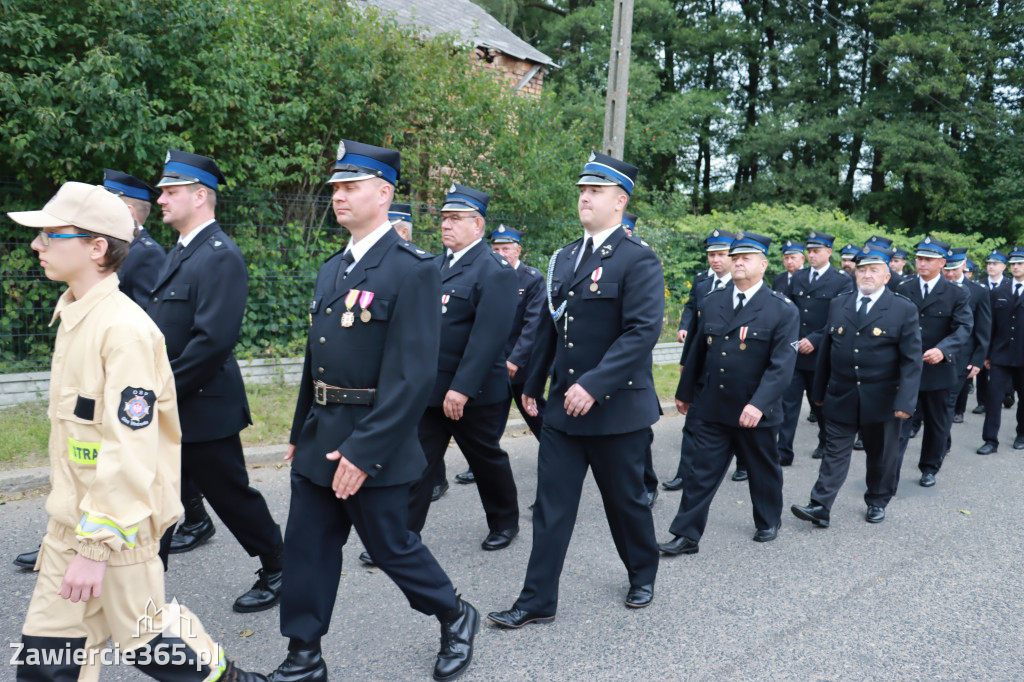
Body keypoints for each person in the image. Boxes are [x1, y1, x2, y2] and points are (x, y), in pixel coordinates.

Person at [8, 182, 264, 682]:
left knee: (147, 644)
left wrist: (94, 547)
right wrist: (68, 536)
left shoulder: (124, 331)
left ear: (96, 247)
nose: (36, 245)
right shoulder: (76, 317)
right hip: (73, 529)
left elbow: (129, 451)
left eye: (50, 235)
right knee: (45, 661)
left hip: (114, 534)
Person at [270, 140, 478, 682]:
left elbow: (413, 378)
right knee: (307, 548)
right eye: (336, 187)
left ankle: (455, 615)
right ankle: (304, 655)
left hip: (373, 439)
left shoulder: (412, 270)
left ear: (384, 193)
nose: (337, 196)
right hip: (320, 435)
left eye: (350, 186)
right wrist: (299, 430)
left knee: (391, 547)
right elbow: (315, 361)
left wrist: (363, 452)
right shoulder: (330, 268)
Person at [488, 151, 663, 628]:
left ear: (620, 200)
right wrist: (531, 381)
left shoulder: (638, 258)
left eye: (596, 191)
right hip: (564, 409)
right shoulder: (565, 257)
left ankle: (642, 571)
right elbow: (551, 324)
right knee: (551, 506)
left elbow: (642, 331)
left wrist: (595, 384)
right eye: (582, 190)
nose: (585, 197)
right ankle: (537, 599)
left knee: (624, 501)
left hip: (616, 409)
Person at [145, 150, 284, 612]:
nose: (160, 199)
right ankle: (144, 590)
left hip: (203, 406)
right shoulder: (181, 252)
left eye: (170, 191)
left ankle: (280, 566)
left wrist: (157, 391)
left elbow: (211, 342)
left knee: (231, 495)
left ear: (200, 196)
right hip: (173, 402)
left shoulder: (220, 256)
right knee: (157, 495)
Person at [659, 231, 799, 556]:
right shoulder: (712, 302)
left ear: (763, 265)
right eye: (734, 257)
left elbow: (781, 366)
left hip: (754, 411)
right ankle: (686, 535)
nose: (737, 262)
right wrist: (685, 393)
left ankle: (767, 520)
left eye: (745, 258)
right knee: (699, 472)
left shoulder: (781, 309)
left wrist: (759, 404)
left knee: (763, 471)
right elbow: (697, 351)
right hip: (713, 406)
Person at [407, 183, 520, 551]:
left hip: (476, 392)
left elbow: (488, 338)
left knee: (485, 459)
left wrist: (462, 388)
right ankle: (403, 537)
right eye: (443, 218)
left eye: (455, 218)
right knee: (418, 463)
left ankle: (504, 522)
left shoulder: (494, 270)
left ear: (478, 225)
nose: (445, 225)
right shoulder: (436, 265)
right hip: (432, 388)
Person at [791, 244, 922, 527]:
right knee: (834, 452)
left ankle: (876, 500)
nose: (866, 275)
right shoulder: (839, 304)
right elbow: (826, 351)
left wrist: (905, 403)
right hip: (841, 393)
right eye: (862, 269)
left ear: (887, 276)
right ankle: (820, 505)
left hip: (883, 398)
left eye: (874, 270)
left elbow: (911, 361)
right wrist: (819, 394)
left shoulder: (903, 308)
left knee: (880, 456)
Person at [455, 224, 547, 488]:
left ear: (518, 250)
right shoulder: (489, 276)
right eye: (495, 249)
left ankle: (557, 454)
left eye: (506, 248)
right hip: (493, 364)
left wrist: (515, 360)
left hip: (521, 365)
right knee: (490, 419)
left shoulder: (532, 279)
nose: (501, 253)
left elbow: (533, 326)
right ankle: (479, 465)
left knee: (536, 415)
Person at [663, 229, 738, 491]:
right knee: (692, 424)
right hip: (702, 366)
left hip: (733, 369)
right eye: (711, 255)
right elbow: (694, 325)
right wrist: (687, 363)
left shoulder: (742, 285)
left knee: (739, 427)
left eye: (721, 254)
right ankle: (686, 474)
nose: (715, 260)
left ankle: (744, 465)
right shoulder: (702, 283)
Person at [895, 236, 973, 487]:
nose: (921, 263)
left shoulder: (956, 293)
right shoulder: (904, 288)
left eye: (928, 259)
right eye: (919, 258)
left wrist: (943, 350)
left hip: (938, 368)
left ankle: (929, 467)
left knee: (937, 423)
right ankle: (890, 472)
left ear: (942, 263)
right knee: (899, 422)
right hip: (906, 368)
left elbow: (963, 327)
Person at [777, 231, 853, 465]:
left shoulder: (841, 280)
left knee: (819, 402)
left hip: (822, 353)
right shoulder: (798, 277)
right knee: (788, 404)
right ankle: (783, 452)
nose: (811, 255)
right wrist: (794, 340)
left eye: (816, 251)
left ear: (828, 252)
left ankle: (825, 439)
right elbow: (788, 311)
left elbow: (841, 316)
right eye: (809, 251)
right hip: (796, 351)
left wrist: (816, 339)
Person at [977, 246, 1024, 455]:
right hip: (1000, 354)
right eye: (1013, 263)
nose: (1015, 267)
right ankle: (990, 440)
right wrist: (986, 354)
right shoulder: (998, 292)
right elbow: (990, 326)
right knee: (993, 398)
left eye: (1020, 263)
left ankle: (1022, 434)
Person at [942, 248, 990, 429]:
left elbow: (983, 329)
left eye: (955, 269)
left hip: (962, 358)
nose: (951, 274)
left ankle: (940, 449)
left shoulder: (978, 292)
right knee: (935, 405)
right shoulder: (937, 287)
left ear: (963, 266)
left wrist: (978, 360)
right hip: (934, 355)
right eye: (947, 269)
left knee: (947, 403)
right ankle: (940, 445)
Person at [974, 250, 1011, 415]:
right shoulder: (979, 285)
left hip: (1002, 331)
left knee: (1006, 364)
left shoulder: (1010, 285)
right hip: (983, 330)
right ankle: (982, 401)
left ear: (1003, 266)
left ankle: (1007, 393)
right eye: (989, 263)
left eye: (995, 264)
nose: (991, 266)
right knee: (981, 366)